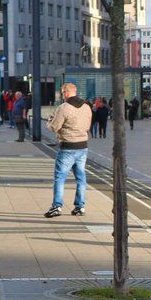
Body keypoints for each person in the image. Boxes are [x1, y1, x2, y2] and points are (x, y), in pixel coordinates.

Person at [45, 82, 92, 218]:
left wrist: (49, 120)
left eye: (62, 92)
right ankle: (80, 206)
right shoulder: (86, 107)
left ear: (65, 92)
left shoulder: (64, 108)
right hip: (82, 146)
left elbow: (54, 126)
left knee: (60, 177)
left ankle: (57, 206)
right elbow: (88, 125)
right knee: (81, 177)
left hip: (68, 146)